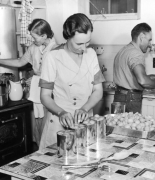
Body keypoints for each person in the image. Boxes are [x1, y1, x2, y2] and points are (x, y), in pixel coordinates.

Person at [39, 13, 105, 149]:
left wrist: (85, 108)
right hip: (59, 122)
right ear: (68, 37)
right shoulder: (52, 57)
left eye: (88, 42)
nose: (84, 48)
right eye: (79, 43)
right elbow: (45, 96)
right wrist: (61, 113)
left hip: (84, 122)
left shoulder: (91, 54)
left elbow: (98, 91)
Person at [0, 18, 57, 147]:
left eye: (35, 37)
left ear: (44, 35)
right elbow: (20, 62)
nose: (33, 40)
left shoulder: (57, 49)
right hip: (37, 88)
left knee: (49, 124)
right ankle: (41, 153)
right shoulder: (34, 47)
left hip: (51, 90)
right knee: (39, 124)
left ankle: (50, 153)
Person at [113, 23, 155, 113]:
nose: (150, 44)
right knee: (132, 126)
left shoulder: (123, 50)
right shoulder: (136, 53)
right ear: (142, 36)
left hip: (119, 97)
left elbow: (137, 78)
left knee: (118, 125)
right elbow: (142, 80)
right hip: (130, 99)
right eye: (149, 40)